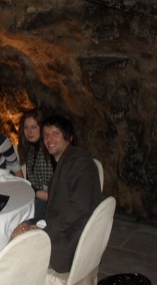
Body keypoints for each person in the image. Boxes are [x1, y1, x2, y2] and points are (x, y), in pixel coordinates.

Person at [12, 115, 102, 273]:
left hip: (69, 244)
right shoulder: (66, 162)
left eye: (55, 133)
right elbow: (55, 210)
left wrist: (43, 232)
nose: (49, 139)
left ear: (69, 137)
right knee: (17, 231)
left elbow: (78, 208)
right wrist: (30, 224)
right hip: (64, 231)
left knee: (12, 252)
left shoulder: (79, 162)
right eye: (46, 135)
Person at [17, 109, 54, 219]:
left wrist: (35, 192)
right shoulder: (30, 149)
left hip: (50, 204)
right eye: (26, 128)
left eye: (34, 127)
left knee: (19, 215)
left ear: (42, 128)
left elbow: (56, 194)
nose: (29, 132)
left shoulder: (50, 150)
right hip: (36, 197)